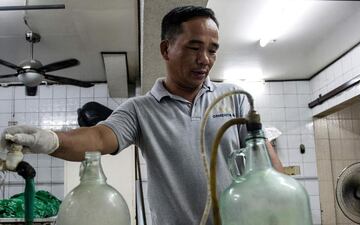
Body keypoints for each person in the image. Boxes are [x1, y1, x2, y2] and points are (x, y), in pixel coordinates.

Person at [1, 6, 283, 225]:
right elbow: (99, 137)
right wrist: (48, 140)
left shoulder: (233, 97)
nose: (205, 59)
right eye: (194, 48)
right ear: (165, 49)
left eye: (212, 50)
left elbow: (269, 163)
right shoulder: (140, 110)